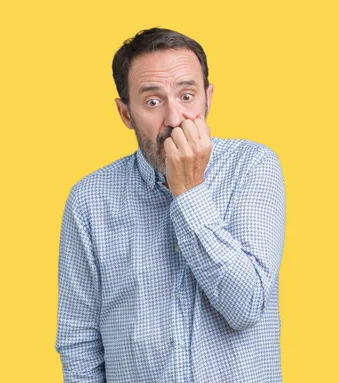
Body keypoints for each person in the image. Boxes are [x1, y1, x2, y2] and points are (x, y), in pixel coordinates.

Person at [55, 27, 286, 382]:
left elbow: (246, 306)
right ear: (126, 114)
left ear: (208, 98)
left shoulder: (252, 167)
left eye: (187, 96)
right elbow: (79, 340)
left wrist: (189, 192)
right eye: (152, 101)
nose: (175, 119)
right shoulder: (89, 200)